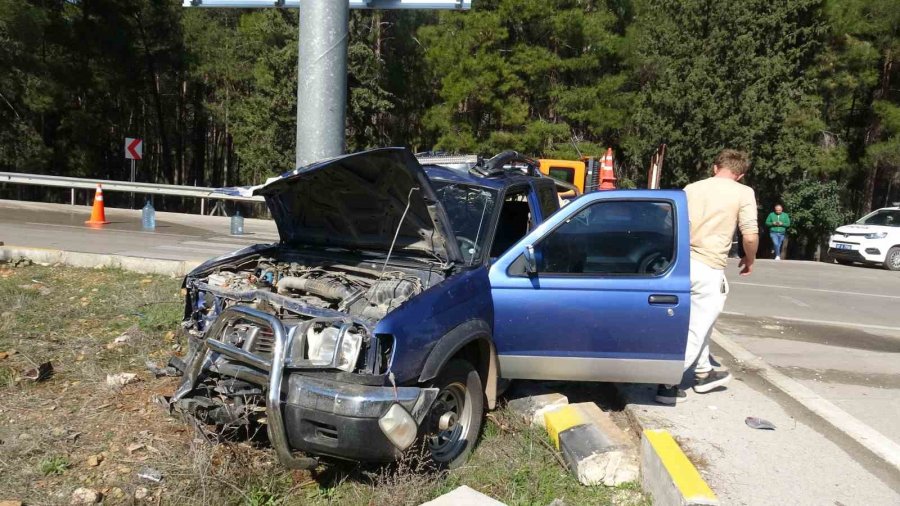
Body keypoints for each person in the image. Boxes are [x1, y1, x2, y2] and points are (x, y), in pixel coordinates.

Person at [656, 149, 759, 405]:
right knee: (697, 327)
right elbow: (749, 235)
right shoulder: (743, 192)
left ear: (715, 168)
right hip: (709, 266)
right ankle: (668, 384)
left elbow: (670, 224)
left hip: (680, 264)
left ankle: (704, 373)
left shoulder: (692, 188)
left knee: (699, 323)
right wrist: (750, 258)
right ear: (741, 175)